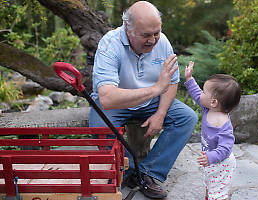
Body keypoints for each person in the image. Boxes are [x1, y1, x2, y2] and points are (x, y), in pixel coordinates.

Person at [89, 1, 198, 199]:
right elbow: (106, 98)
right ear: (127, 29)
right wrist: (156, 88)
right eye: (146, 35)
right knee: (99, 127)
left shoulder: (162, 41)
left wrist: (161, 113)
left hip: (151, 102)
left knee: (187, 118)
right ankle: (131, 171)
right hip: (117, 103)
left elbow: (172, 82)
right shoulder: (109, 44)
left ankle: (148, 172)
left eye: (156, 32)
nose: (153, 40)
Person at [184, 61, 241, 200]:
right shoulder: (207, 108)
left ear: (214, 102)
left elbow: (226, 148)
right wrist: (189, 79)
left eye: (204, 92)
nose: (201, 94)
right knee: (210, 186)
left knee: (219, 193)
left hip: (222, 164)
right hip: (211, 161)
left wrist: (211, 157)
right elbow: (197, 95)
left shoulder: (224, 124)